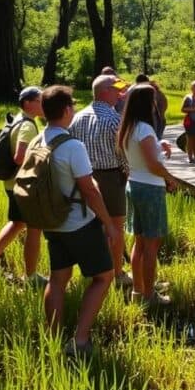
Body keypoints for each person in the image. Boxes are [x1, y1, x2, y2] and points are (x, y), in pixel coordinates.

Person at [37, 85, 123, 358]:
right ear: (65, 110)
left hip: (52, 222)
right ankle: (80, 341)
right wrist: (108, 224)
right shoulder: (71, 145)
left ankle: (52, 338)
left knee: (58, 279)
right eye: (72, 105)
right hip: (78, 223)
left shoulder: (40, 139)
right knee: (104, 276)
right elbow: (89, 190)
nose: (73, 108)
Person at [0, 86, 48, 289]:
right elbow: (19, 157)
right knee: (34, 228)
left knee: (18, 223)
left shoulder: (16, 119)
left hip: (11, 184)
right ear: (28, 103)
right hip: (23, 185)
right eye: (40, 100)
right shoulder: (28, 125)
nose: (43, 104)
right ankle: (32, 276)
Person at [69, 74, 132, 289]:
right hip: (111, 178)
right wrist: (127, 173)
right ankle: (116, 273)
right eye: (116, 90)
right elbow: (122, 155)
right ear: (105, 91)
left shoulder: (77, 118)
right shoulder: (114, 119)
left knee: (93, 226)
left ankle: (95, 270)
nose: (120, 94)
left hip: (84, 177)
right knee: (115, 227)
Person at [118, 85, 179, 306]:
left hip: (134, 184)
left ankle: (138, 290)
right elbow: (153, 165)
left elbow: (144, 157)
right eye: (154, 100)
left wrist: (158, 146)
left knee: (140, 242)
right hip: (150, 189)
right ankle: (148, 295)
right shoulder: (144, 128)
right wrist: (170, 178)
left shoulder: (129, 127)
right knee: (152, 245)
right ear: (147, 103)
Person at [133, 74, 168, 139]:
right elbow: (165, 105)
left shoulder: (149, 93)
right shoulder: (158, 92)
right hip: (159, 119)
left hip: (154, 121)